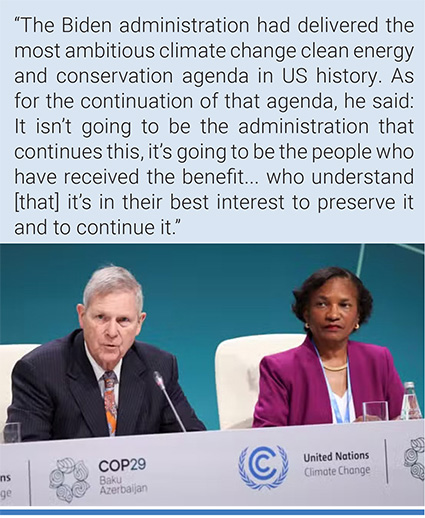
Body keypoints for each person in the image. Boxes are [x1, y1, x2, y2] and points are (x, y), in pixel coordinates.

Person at [7, 266, 205, 441]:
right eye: (101, 317)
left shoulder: (159, 367)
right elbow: (27, 458)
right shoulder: (39, 371)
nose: (111, 332)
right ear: (82, 316)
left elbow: (192, 442)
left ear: (139, 323)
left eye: (123, 320)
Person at [253, 266, 404, 427]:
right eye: (322, 304)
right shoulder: (279, 369)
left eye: (344, 305)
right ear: (306, 313)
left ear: (358, 315)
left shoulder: (378, 360)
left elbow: (406, 423)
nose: (333, 315)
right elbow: (267, 440)